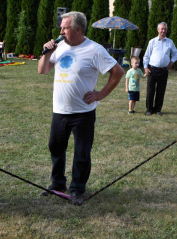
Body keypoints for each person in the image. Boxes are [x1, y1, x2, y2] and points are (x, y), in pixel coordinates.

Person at [38, 11, 124, 206]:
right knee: (55, 147)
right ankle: (58, 183)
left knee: (82, 152)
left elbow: (118, 72)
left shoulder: (95, 49)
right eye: (61, 27)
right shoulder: (58, 47)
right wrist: (48, 51)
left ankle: (77, 189)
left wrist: (101, 94)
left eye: (65, 27)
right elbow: (42, 70)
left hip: (83, 113)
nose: (61, 31)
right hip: (60, 110)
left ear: (78, 29)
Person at [143, 22, 177, 116]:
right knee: (150, 90)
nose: (163, 31)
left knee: (161, 90)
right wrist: (145, 67)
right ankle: (149, 110)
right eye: (162, 29)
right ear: (158, 30)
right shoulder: (152, 42)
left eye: (165, 29)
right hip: (152, 69)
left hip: (164, 70)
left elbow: (175, 53)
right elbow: (146, 56)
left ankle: (158, 109)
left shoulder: (170, 42)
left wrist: (171, 62)